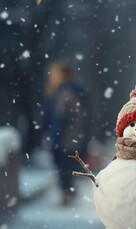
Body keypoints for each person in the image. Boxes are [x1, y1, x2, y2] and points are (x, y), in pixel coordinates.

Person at [42, 61, 89, 206]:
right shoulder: (71, 91)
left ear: (63, 75)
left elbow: (59, 117)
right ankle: (69, 191)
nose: (51, 77)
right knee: (66, 166)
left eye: (54, 74)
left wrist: (54, 137)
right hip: (73, 136)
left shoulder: (65, 92)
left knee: (62, 165)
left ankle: (66, 194)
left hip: (65, 136)